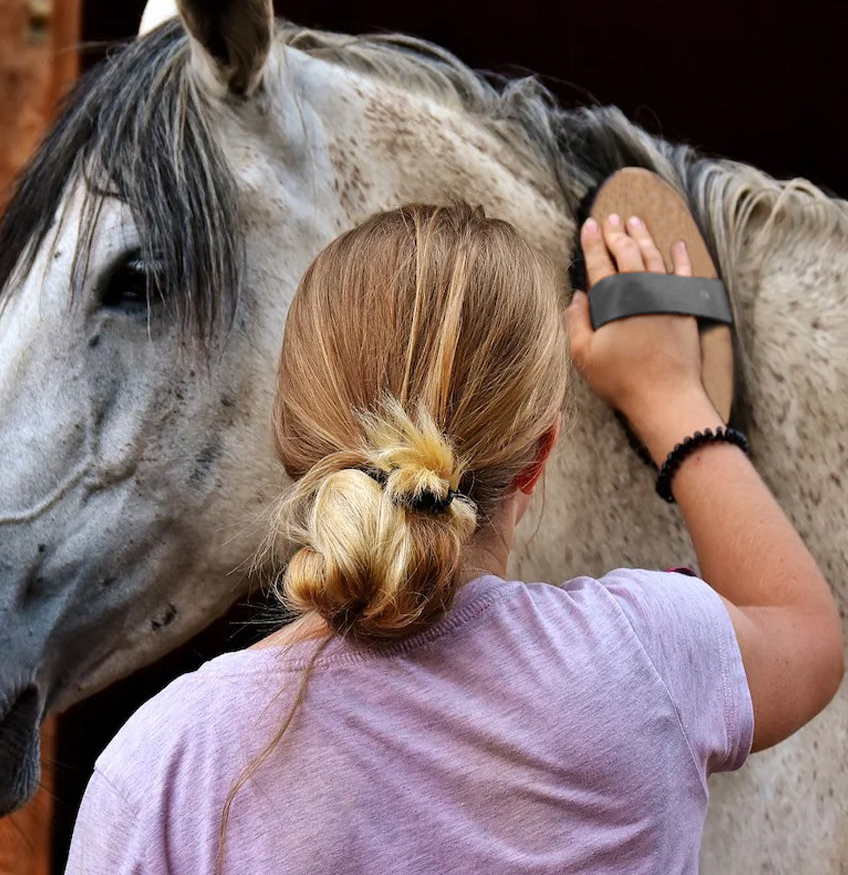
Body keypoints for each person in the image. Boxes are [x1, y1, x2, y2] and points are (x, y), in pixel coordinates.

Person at [66, 202, 843, 874]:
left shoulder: (164, 772)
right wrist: (670, 396)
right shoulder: (645, 655)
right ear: (540, 454)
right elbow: (806, 633)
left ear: (293, 446)